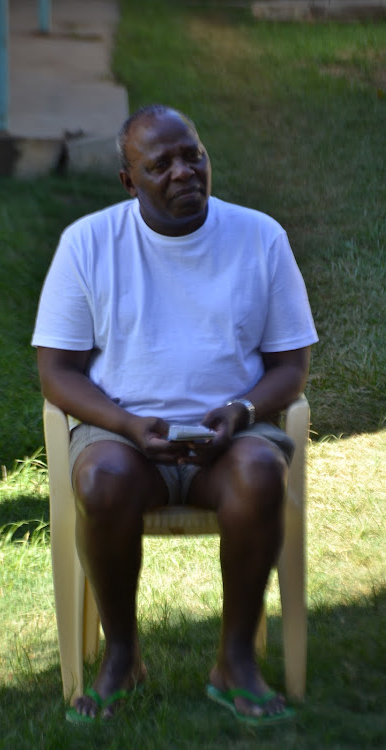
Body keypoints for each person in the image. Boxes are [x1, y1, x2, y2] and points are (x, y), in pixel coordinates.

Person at [32, 104, 318, 725]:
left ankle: (235, 660)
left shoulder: (260, 236)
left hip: (234, 431)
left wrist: (241, 412)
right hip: (125, 436)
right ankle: (123, 656)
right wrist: (130, 425)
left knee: (262, 476)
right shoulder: (88, 244)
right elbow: (55, 371)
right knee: (101, 482)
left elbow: (291, 367)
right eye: (161, 164)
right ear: (129, 182)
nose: (185, 171)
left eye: (193, 154)